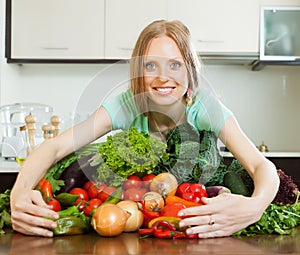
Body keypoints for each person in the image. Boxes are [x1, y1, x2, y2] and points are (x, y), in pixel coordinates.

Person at [10, 20, 279, 238]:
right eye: (151, 65)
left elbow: (260, 166)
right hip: (145, 223)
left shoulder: (204, 107)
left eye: (175, 64)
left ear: (190, 71)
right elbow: (55, 146)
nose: (164, 77)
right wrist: (18, 193)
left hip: (192, 220)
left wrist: (255, 207)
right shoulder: (127, 104)